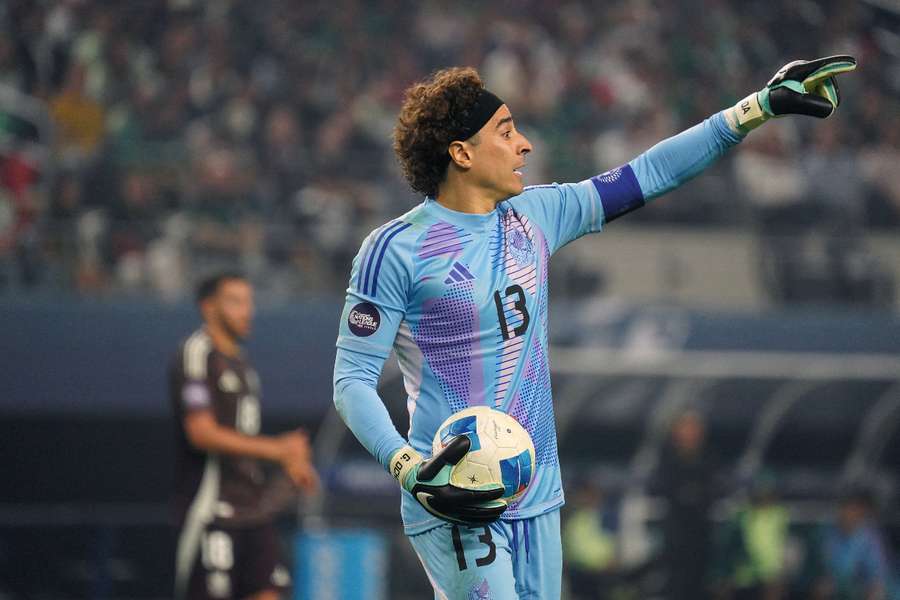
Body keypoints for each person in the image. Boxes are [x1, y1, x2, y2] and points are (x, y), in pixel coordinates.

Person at [332, 57, 856, 599]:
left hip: (537, 491)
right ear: (461, 153)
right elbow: (351, 380)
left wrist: (757, 108)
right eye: (506, 132)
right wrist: (409, 468)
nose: (526, 145)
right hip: (454, 491)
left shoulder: (538, 216)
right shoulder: (395, 250)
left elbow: (650, 173)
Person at [170, 272, 318, 600]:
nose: (246, 310)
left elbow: (243, 443)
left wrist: (288, 463)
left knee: (270, 592)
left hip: (252, 511)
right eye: (235, 302)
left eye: (249, 302)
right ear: (208, 307)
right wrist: (278, 449)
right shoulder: (197, 352)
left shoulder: (242, 365)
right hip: (211, 509)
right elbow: (201, 432)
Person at [813, 489, 893, 600]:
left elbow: (877, 571)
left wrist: (873, 586)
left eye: (853, 511)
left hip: (862, 583)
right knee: (822, 588)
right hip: (836, 581)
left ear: (860, 514)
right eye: (845, 510)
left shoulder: (870, 537)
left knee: (877, 591)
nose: (848, 515)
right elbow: (825, 565)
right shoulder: (828, 533)